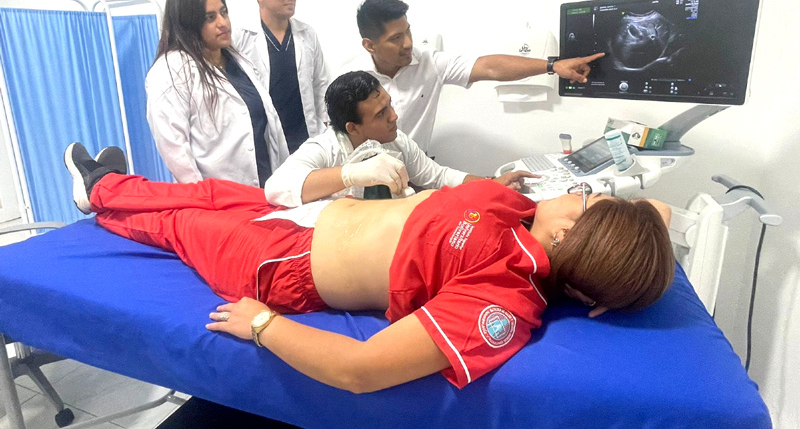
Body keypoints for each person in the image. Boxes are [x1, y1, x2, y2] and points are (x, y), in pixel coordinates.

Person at [64, 141, 674, 393]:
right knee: (214, 193)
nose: (579, 188)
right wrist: (627, 243)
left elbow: (360, 371)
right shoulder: (520, 209)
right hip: (314, 218)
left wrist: (261, 325)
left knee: (178, 225)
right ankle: (117, 179)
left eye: (590, 196)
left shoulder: (506, 298)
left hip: (282, 266)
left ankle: (99, 193)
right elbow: (659, 212)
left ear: (573, 231)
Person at [340, 0, 606, 151]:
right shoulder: (348, 80)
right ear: (370, 45)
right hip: (362, 180)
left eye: (408, 31)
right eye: (396, 38)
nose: (408, 43)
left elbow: (489, 66)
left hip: (414, 175)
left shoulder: (428, 63)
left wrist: (552, 66)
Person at [264, 71, 534, 207]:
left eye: (390, 105)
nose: (394, 117)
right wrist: (351, 174)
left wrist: (492, 186)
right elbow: (276, 188)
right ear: (353, 127)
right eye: (381, 114)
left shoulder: (396, 141)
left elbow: (439, 177)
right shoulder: (325, 148)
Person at [146, 0, 289, 187]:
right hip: (219, 199)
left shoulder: (238, 61)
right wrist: (203, 200)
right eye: (210, 18)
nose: (223, 23)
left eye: (224, 12)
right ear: (189, 24)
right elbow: (174, 147)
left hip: (266, 188)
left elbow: (269, 128)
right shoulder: (172, 69)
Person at [232, 0, 330, 153]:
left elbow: (320, 84)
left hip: (306, 138)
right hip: (265, 141)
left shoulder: (307, 34)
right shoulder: (240, 38)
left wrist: (326, 126)